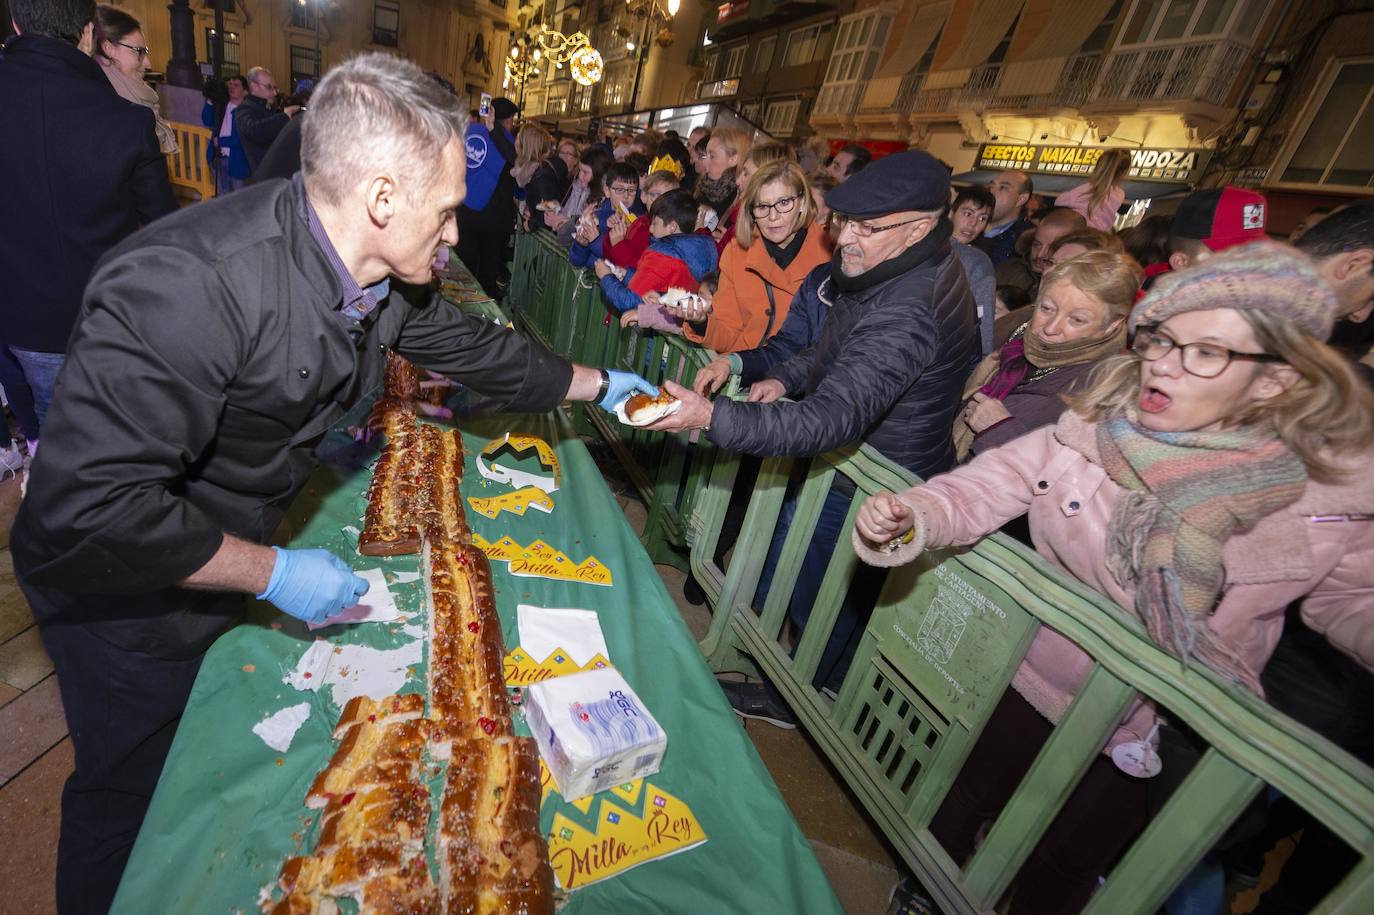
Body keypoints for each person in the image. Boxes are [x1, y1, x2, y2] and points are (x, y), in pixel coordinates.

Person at [10, 53, 656, 915]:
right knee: (129, 792)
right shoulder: (187, 286)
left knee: (210, 762)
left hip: (225, 533)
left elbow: (479, 350)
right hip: (123, 599)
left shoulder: (371, 264)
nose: (457, 235)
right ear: (382, 197)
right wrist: (272, 573)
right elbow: (88, 512)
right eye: (449, 211)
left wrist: (601, 384)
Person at [854, 240, 1374, 915]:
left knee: (1069, 859)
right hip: (1029, 671)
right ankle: (925, 895)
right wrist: (911, 515)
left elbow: (1355, 597)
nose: (1161, 362)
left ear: (1274, 379)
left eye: (1206, 352)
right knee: (965, 802)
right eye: (1161, 339)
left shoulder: (1318, 491)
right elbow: (991, 482)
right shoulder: (1099, 426)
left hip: (1167, 717)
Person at [656, 151, 977, 715]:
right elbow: (825, 352)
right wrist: (780, 377)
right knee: (793, 567)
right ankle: (779, 664)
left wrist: (709, 418)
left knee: (824, 594)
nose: (846, 238)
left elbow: (830, 416)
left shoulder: (909, 307)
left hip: (879, 475)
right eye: (843, 221)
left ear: (921, 228)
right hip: (857, 463)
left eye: (866, 227)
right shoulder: (886, 267)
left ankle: (797, 699)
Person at [0, 0, 178, 433]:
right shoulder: (127, 121)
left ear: (16, 23)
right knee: (102, 437)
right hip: (102, 317)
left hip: (16, 316)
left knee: (50, 432)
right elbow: (166, 235)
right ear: (86, 33)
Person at [954, 251, 1142, 460]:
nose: (1051, 328)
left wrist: (1000, 430)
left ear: (1111, 325)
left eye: (1077, 320)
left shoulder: (1107, 391)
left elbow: (1073, 481)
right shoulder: (1017, 335)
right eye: (1047, 308)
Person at [680, 160, 830, 353]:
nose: (773, 216)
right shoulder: (737, 253)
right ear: (751, 211)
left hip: (796, 376)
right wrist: (701, 322)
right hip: (742, 370)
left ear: (802, 202)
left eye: (784, 203)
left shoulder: (829, 253)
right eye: (762, 206)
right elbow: (728, 330)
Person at [595, 189, 718, 332]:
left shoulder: (662, 256)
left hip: (650, 337)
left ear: (672, 227)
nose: (651, 230)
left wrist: (606, 277)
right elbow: (661, 288)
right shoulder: (705, 249)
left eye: (655, 224)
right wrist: (627, 274)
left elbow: (631, 301)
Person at [455, 96, 519, 297]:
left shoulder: (470, 131)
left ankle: (461, 304)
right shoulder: (507, 142)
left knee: (464, 263)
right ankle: (482, 314)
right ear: (508, 120)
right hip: (492, 215)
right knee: (487, 269)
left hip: (464, 208)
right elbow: (515, 164)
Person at [92, 5, 176, 154]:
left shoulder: (132, 108)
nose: (148, 64)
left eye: (145, 52)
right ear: (108, 48)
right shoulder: (114, 114)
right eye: (139, 52)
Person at [994, 206, 1087, 299]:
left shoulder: (1080, 289)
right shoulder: (1007, 270)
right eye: (1036, 244)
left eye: (1051, 248)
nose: (1040, 254)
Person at [569, 160, 642, 269]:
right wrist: (580, 245)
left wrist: (595, 241)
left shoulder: (639, 224)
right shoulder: (596, 217)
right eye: (619, 189)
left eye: (632, 190)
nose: (626, 195)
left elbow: (624, 262)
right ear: (607, 191)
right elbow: (575, 260)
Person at [604, 168, 680, 269]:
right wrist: (613, 234)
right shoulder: (639, 222)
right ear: (644, 196)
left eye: (667, 197)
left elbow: (641, 271)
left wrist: (618, 244)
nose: (661, 202)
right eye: (655, 195)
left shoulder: (667, 232)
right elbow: (609, 257)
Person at [236, 67, 300, 175]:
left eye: (275, 88)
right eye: (269, 87)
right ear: (254, 86)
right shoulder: (245, 109)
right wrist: (283, 117)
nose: (275, 93)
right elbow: (255, 130)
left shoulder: (268, 107)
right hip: (264, 176)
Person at [546, 146, 612, 248]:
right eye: (580, 170)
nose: (580, 175)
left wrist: (561, 223)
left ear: (598, 173)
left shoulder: (603, 200)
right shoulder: (575, 186)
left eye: (585, 172)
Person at [1055, 148, 1130, 231]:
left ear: (1098, 165)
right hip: (1093, 237)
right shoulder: (1119, 194)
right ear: (1123, 173)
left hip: (1073, 233)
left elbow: (1059, 202)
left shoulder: (1084, 188)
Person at [974, 169, 1035, 265]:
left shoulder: (1029, 241)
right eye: (991, 186)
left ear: (1021, 199)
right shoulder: (967, 224)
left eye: (1003, 187)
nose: (991, 191)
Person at [202, 74, 250, 194]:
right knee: (223, 198)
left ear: (245, 92)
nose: (232, 87)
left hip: (237, 161)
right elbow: (207, 120)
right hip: (218, 157)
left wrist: (220, 141)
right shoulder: (221, 105)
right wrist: (210, 100)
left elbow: (241, 138)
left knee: (239, 200)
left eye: (236, 85)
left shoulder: (246, 111)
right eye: (230, 84)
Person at [695, 126, 751, 229]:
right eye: (705, 156)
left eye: (712, 156)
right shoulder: (703, 185)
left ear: (733, 159)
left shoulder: (741, 197)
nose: (705, 163)